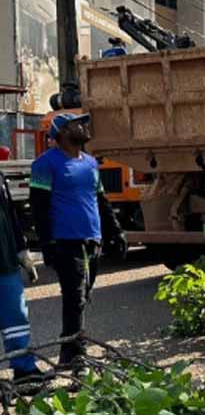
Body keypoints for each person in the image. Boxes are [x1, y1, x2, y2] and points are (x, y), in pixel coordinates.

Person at [29, 113, 127, 368]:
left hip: (92, 239)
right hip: (65, 241)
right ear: (61, 133)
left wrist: (116, 232)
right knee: (75, 298)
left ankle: (67, 356)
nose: (84, 126)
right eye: (77, 124)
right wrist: (47, 243)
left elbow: (101, 200)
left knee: (83, 297)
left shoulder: (91, 164)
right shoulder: (45, 164)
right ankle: (77, 357)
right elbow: (39, 207)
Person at [0, 170, 45, 385]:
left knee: (16, 316)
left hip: (5, 260)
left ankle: (25, 371)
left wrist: (22, 252)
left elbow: (10, 215)